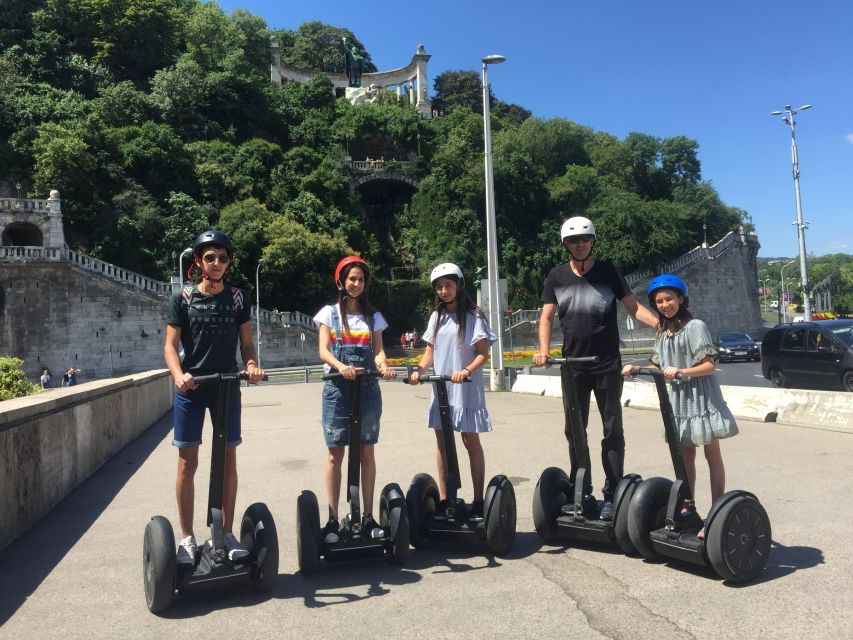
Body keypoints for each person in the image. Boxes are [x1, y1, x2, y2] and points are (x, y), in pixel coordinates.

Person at [532, 216, 658, 520]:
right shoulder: (557, 275)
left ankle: (613, 492)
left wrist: (661, 325)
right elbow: (546, 317)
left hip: (606, 364)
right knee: (574, 430)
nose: (580, 244)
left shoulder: (608, 270)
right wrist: (544, 350)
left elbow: (633, 307)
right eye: (574, 241)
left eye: (585, 239)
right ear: (566, 244)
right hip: (572, 365)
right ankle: (581, 490)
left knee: (612, 429)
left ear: (593, 242)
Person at [163, 229, 264, 566]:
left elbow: (246, 343)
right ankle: (187, 538)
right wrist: (178, 375)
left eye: (222, 258)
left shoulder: (238, 298)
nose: (217, 263)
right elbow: (170, 347)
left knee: (227, 460)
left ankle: (226, 533)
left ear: (228, 263)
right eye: (210, 257)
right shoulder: (183, 299)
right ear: (198, 262)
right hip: (192, 388)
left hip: (226, 387)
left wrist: (251, 364)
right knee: (187, 462)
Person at [622, 274, 738, 538]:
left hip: (701, 396)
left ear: (681, 299)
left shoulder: (695, 326)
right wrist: (636, 368)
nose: (665, 305)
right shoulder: (663, 333)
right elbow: (658, 365)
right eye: (659, 301)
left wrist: (682, 371)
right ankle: (688, 508)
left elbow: (709, 365)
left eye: (669, 299)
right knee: (685, 457)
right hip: (680, 401)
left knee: (712, 455)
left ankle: (716, 514)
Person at [314, 255, 396, 544]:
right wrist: (341, 366)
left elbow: (378, 351)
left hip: (368, 388)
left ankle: (368, 516)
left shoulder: (373, 317)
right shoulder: (328, 314)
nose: (357, 283)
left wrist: (384, 365)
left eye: (361, 279)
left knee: (366, 453)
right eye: (352, 278)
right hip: (338, 388)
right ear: (341, 281)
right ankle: (332, 519)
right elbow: (323, 350)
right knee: (335, 454)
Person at [409, 263, 496, 522]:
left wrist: (466, 371)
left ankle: (478, 501)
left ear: (459, 285)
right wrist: (419, 371)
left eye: (448, 285)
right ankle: (446, 500)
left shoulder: (473, 316)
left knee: (470, 442)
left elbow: (483, 354)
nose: (444, 290)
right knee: (442, 443)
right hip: (442, 387)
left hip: (465, 387)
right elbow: (429, 353)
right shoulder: (436, 317)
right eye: (439, 287)